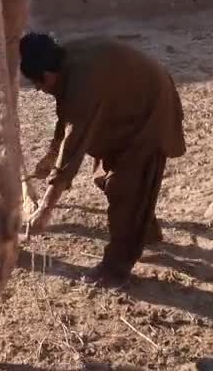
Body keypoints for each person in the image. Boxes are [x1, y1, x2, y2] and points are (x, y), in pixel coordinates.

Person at [19, 32, 186, 286]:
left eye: (38, 85)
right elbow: (67, 115)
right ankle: (145, 232)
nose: (40, 90)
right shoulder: (65, 61)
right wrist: (52, 154)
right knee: (107, 178)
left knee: (125, 187)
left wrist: (45, 209)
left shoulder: (83, 82)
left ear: (48, 74)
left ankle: (115, 270)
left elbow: (72, 150)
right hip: (127, 108)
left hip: (151, 108)